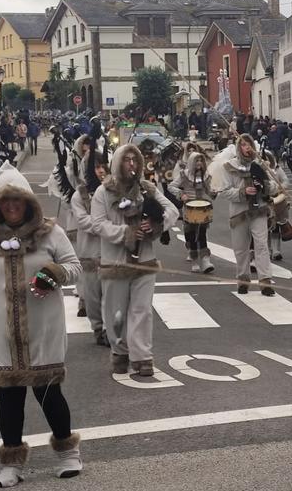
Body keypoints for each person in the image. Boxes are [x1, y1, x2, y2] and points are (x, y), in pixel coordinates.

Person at [0, 163, 81, 487]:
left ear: (28, 202)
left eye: (17, 201)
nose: (11, 207)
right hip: (0, 333)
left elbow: (74, 266)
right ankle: (11, 462)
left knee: (49, 393)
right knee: (8, 400)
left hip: (42, 329)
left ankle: (68, 453)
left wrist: (55, 274)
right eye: (5, 202)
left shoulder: (51, 232)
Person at [92, 145, 178, 378]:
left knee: (142, 310)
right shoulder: (104, 192)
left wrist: (156, 225)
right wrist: (127, 233)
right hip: (116, 263)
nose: (132, 164)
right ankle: (120, 352)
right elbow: (98, 224)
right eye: (127, 159)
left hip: (145, 260)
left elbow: (171, 210)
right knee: (116, 313)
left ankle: (142, 357)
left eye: (135, 160)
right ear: (118, 162)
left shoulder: (147, 188)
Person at [217, 134, 278, 296]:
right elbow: (224, 191)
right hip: (239, 213)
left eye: (249, 144)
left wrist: (263, 185)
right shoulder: (230, 167)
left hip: (259, 210)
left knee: (262, 245)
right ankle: (243, 279)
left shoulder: (261, 165)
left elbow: (275, 187)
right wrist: (242, 192)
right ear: (239, 148)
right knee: (240, 248)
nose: (247, 147)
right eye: (243, 145)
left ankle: (265, 281)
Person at [70, 137, 110, 346]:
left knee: (112, 296)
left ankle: (110, 329)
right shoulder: (80, 195)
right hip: (90, 252)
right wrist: (104, 225)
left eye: (103, 166)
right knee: (93, 298)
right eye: (96, 167)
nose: (100, 171)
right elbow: (83, 221)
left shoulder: (113, 191)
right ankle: (97, 327)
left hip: (112, 253)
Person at [170, 150, 215, 275]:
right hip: (189, 208)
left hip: (203, 208)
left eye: (201, 160)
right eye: (197, 161)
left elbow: (210, 190)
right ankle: (194, 259)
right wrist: (181, 194)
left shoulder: (206, 175)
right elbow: (171, 186)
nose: (199, 163)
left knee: (202, 233)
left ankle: (206, 260)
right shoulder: (184, 175)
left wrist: (214, 192)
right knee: (190, 234)